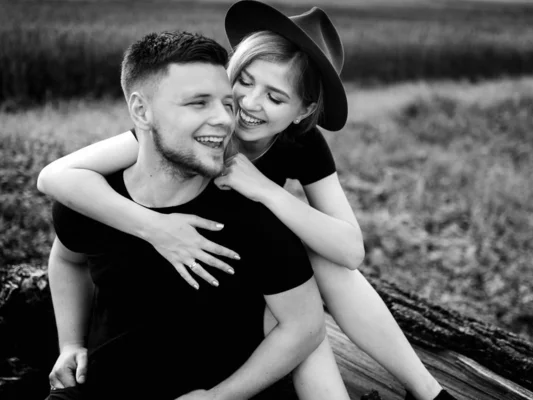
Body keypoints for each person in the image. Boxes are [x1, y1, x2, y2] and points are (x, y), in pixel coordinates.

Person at [38, 1, 456, 399]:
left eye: (275, 98)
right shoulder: (189, 131)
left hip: (263, 277)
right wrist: (155, 227)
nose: (248, 105)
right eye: (244, 81)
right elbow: (56, 178)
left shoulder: (301, 144)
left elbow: (350, 250)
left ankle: (426, 390)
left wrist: (263, 188)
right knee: (293, 303)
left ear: (301, 111)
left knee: (317, 267)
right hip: (203, 279)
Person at [42, 30, 350, 400]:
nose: (225, 119)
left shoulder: (254, 216)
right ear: (141, 110)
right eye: (198, 103)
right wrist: (70, 343)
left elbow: (305, 325)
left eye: (225, 103)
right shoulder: (94, 198)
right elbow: (67, 258)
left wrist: (219, 397)